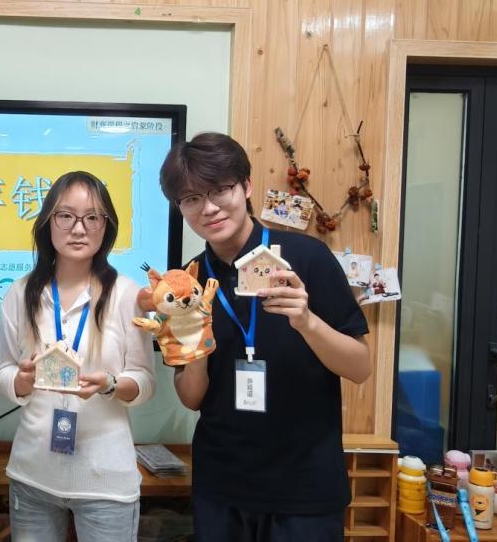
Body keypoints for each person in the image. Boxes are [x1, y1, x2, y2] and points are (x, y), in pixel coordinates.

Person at [158, 133, 371, 542]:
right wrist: (197, 339)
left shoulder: (307, 258)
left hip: (305, 487)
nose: (209, 208)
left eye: (220, 190)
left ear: (246, 186)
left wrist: (307, 322)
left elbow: (361, 368)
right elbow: (191, 398)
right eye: (192, 198)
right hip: (222, 486)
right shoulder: (186, 283)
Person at [0, 171, 155, 542]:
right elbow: (3, 371)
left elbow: (145, 382)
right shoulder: (20, 293)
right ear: (47, 223)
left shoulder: (126, 294)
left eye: (92, 217)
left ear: (106, 226)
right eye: (66, 216)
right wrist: (20, 381)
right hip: (33, 476)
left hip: (105, 481)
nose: (79, 229)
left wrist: (110, 385)